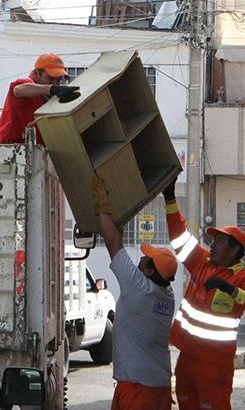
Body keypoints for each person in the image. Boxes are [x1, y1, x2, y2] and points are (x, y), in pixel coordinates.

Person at [162, 179, 245, 410]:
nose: (212, 244)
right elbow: (178, 236)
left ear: (234, 251)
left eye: (220, 241)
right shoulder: (201, 261)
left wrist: (230, 290)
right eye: (213, 240)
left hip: (215, 365)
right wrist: (170, 199)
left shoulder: (243, 280)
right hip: (187, 358)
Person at [91, 175, 177, 410]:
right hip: (157, 387)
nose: (139, 261)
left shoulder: (138, 287)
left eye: (145, 260)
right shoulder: (166, 295)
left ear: (149, 272)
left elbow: (112, 241)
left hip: (138, 389)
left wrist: (102, 204)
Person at [0, 53, 81, 145]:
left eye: (58, 80)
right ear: (37, 73)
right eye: (50, 79)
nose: (55, 84)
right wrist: (52, 89)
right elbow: (18, 90)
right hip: (9, 148)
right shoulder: (25, 83)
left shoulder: (46, 98)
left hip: (32, 150)